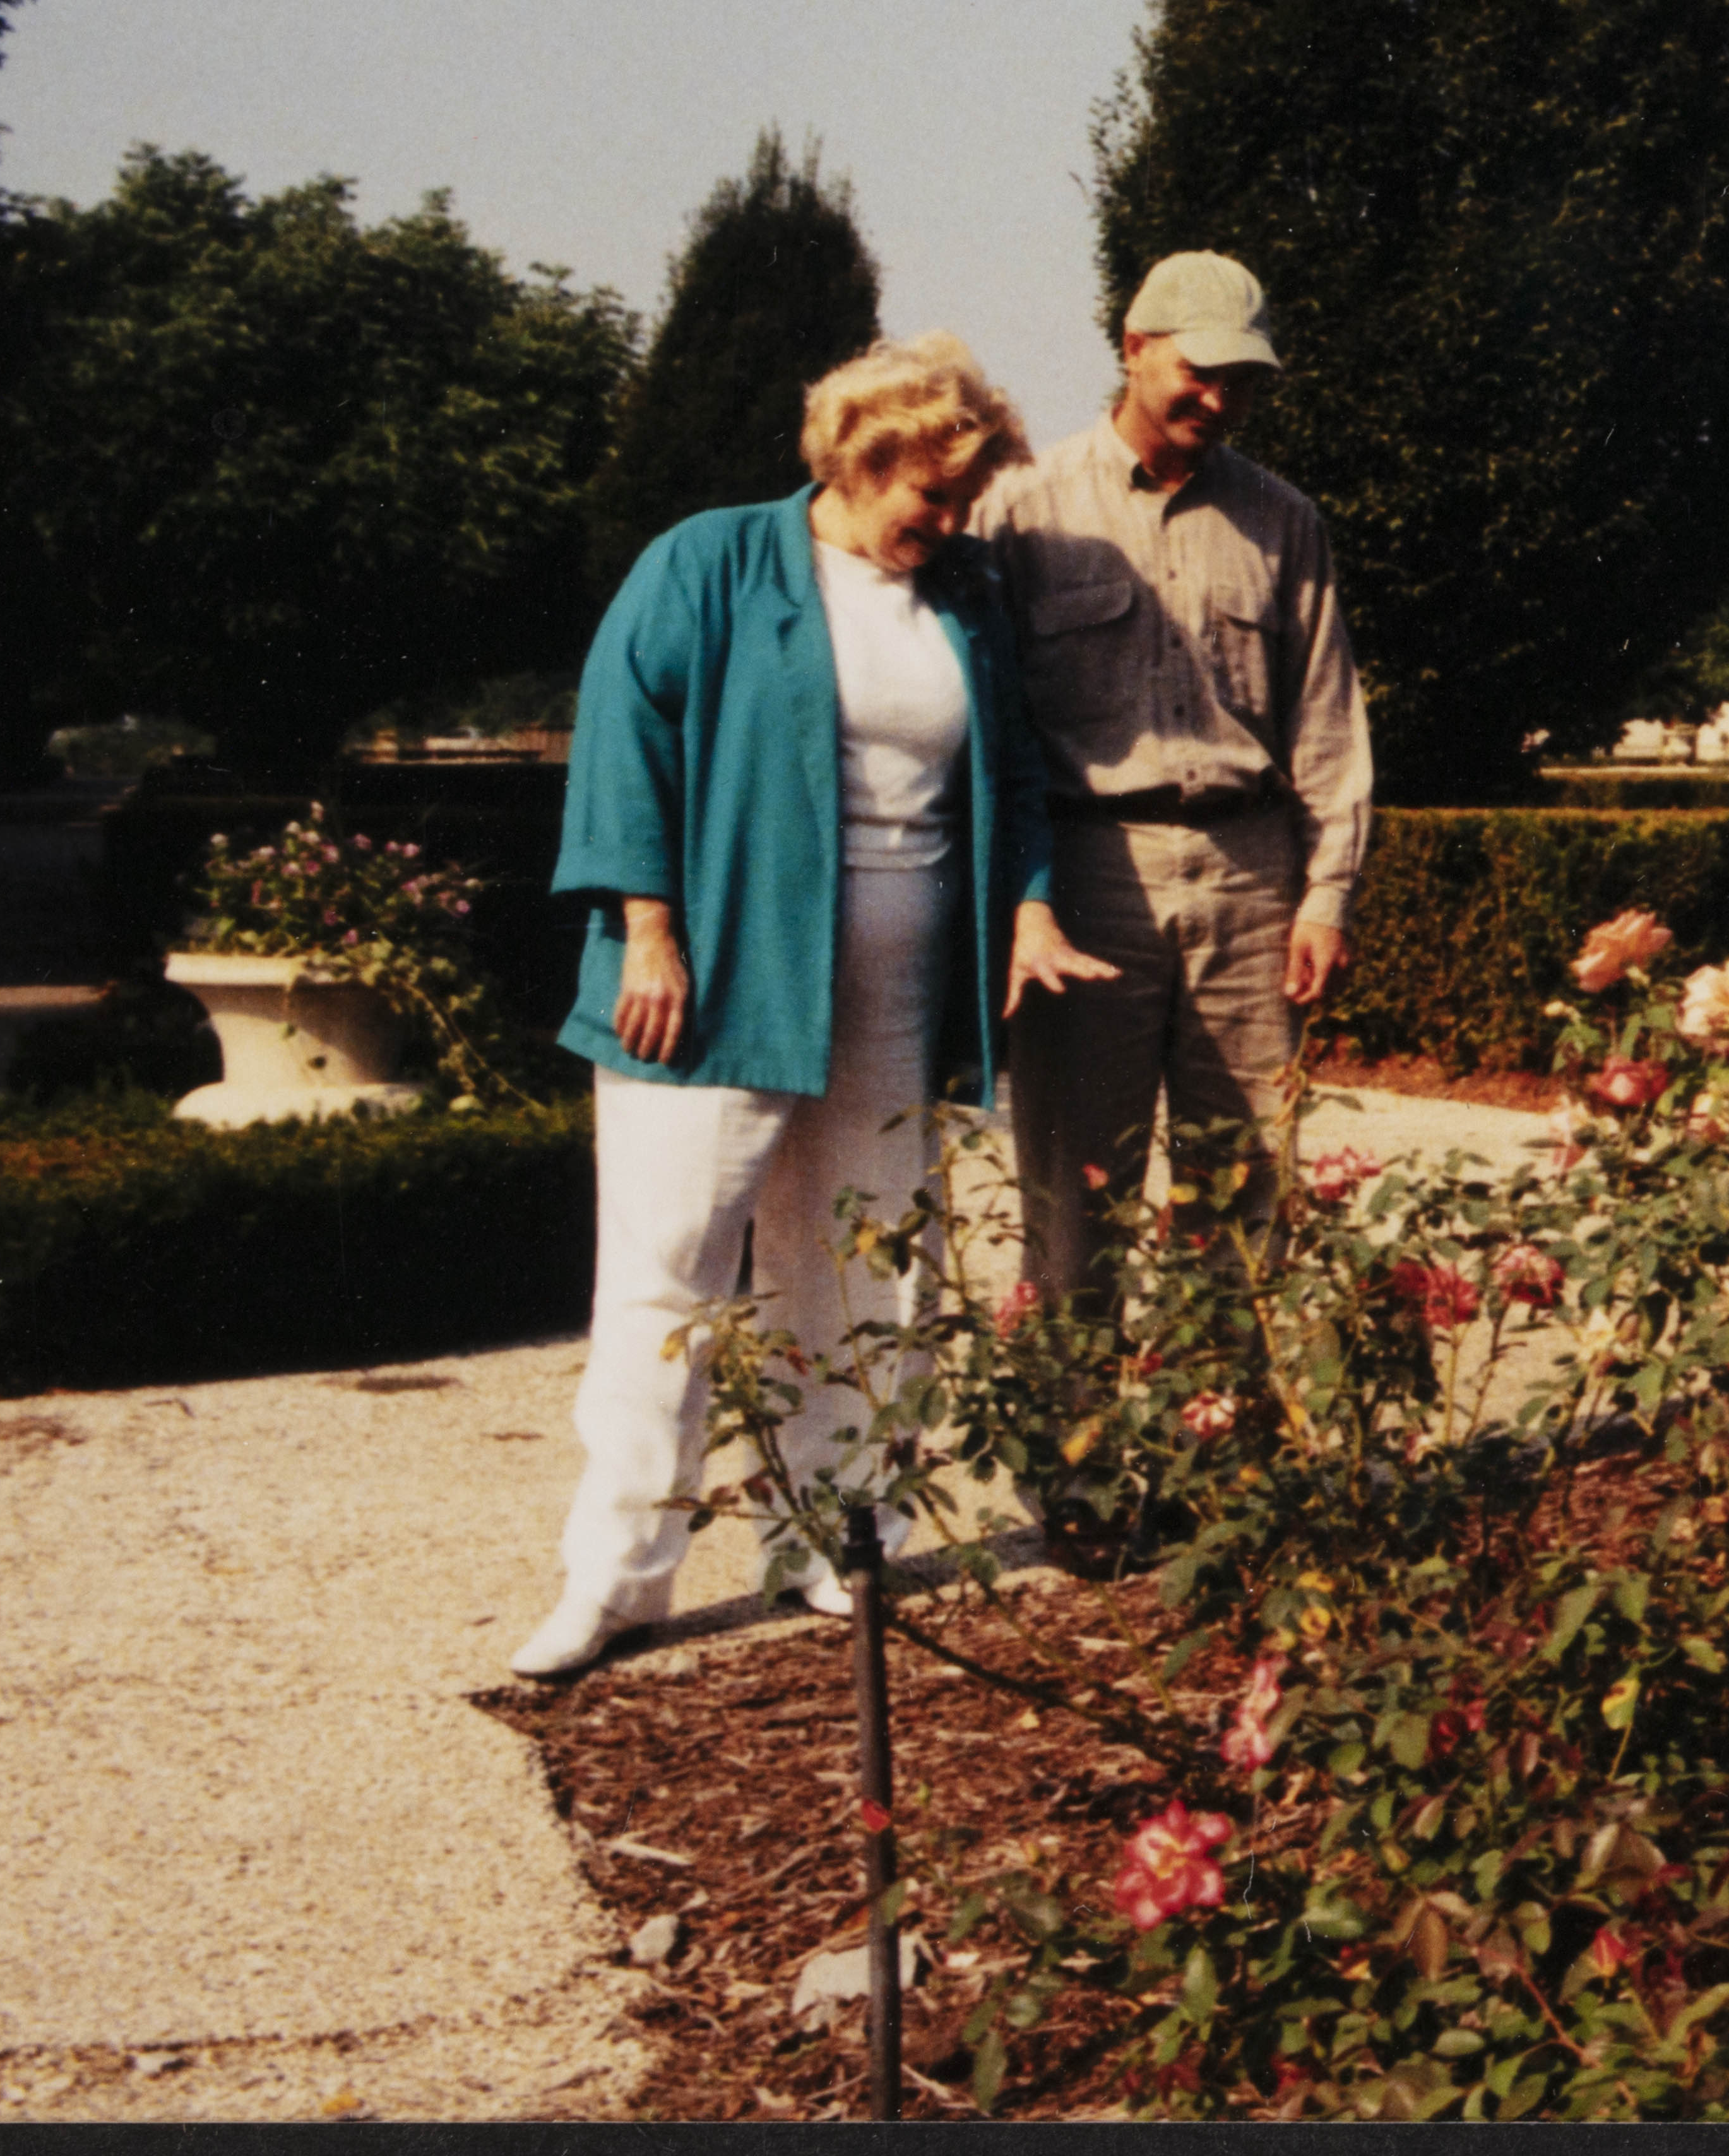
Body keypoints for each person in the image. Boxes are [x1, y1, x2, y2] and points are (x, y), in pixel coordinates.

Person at [513, 335, 1116, 1681]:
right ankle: (617, 1580)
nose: (950, 522)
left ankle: (835, 1540)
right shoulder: (711, 559)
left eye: (966, 498)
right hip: (716, 980)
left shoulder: (965, 594)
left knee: (860, 1266)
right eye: (932, 495)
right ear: (860, 457)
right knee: (668, 1273)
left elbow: (1013, 774)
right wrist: (648, 932)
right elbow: (625, 737)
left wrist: (1028, 907)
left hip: (897, 989)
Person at [979, 251, 1372, 1327]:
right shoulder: (1022, 509)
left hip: (1251, 885)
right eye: (1200, 372)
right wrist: (1017, 898)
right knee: (1074, 1194)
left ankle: (1227, 1427)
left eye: (1242, 381)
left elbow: (1327, 718)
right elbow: (988, 727)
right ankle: (1073, 1435)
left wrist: (1328, 894)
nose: (1220, 400)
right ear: (1133, 349)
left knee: (1245, 1192)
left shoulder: (1284, 520)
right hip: (1087, 880)